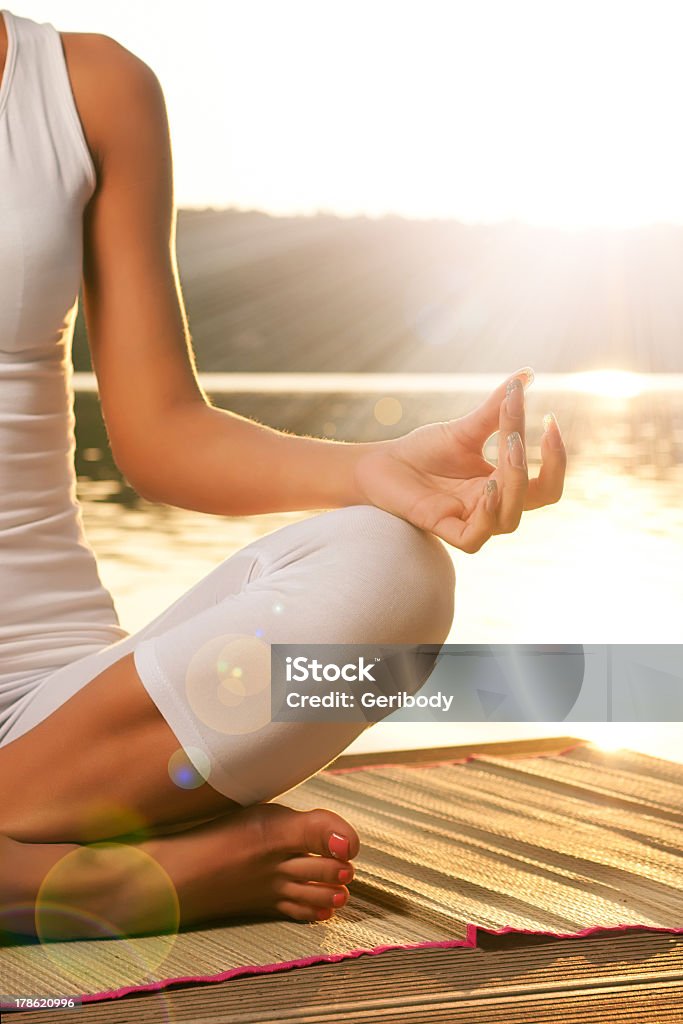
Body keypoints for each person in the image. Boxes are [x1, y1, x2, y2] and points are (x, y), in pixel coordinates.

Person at [0, 9, 566, 940]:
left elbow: (162, 432)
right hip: (71, 772)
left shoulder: (86, 86)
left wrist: (374, 469)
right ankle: (90, 883)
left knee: (390, 575)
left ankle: (39, 858)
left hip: (56, 713)